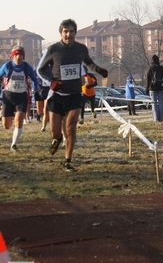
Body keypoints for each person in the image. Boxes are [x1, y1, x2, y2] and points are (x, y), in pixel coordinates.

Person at [36, 18, 108, 172]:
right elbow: (40, 70)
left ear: (75, 33)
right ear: (61, 33)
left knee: (71, 127)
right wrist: (51, 82)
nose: (68, 34)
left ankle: (67, 160)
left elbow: (88, 62)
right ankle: (57, 139)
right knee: (55, 132)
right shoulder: (53, 49)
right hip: (57, 94)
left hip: (75, 94)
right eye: (65, 32)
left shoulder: (81, 49)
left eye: (71, 31)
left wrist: (99, 69)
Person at [0, 45, 39, 151]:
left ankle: (14, 144)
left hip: (21, 96)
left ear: (23, 56)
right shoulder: (7, 66)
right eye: (16, 55)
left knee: (19, 121)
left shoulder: (27, 67)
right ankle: (3, 114)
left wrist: (36, 90)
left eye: (20, 55)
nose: (18, 57)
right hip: (8, 96)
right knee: (7, 125)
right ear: (12, 56)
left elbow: (35, 80)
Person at [146, 55, 163, 122]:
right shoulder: (162, 68)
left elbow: (148, 80)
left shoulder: (151, 69)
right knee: (161, 103)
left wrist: (147, 89)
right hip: (161, 88)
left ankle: (156, 119)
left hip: (153, 89)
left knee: (154, 103)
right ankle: (161, 119)